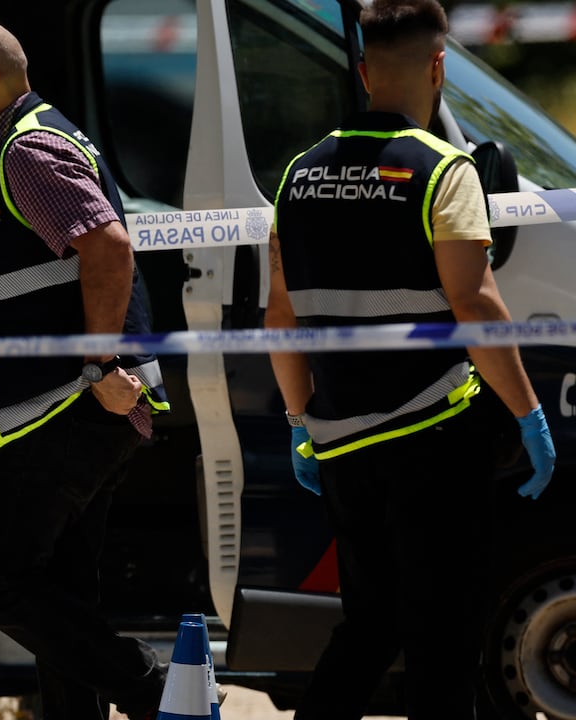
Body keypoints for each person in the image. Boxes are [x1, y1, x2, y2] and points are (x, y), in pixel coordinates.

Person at [264, 0, 556, 717]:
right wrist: (530, 414)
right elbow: (477, 305)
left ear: (363, 72)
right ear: (440, 67)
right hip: (433, 437)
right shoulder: (443, 169)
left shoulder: (299, 174)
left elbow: (280, 314)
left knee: (369, 624)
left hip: (342, 443)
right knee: (444, 635)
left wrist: (301, 420)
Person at [0, 17, 173, 720]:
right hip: (74, 405)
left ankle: (151, 688)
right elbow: (31, 291)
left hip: (66, 409)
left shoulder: (26, 150)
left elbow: (109, 250)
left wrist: (97, 369)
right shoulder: (27, 142)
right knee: (61, 598)